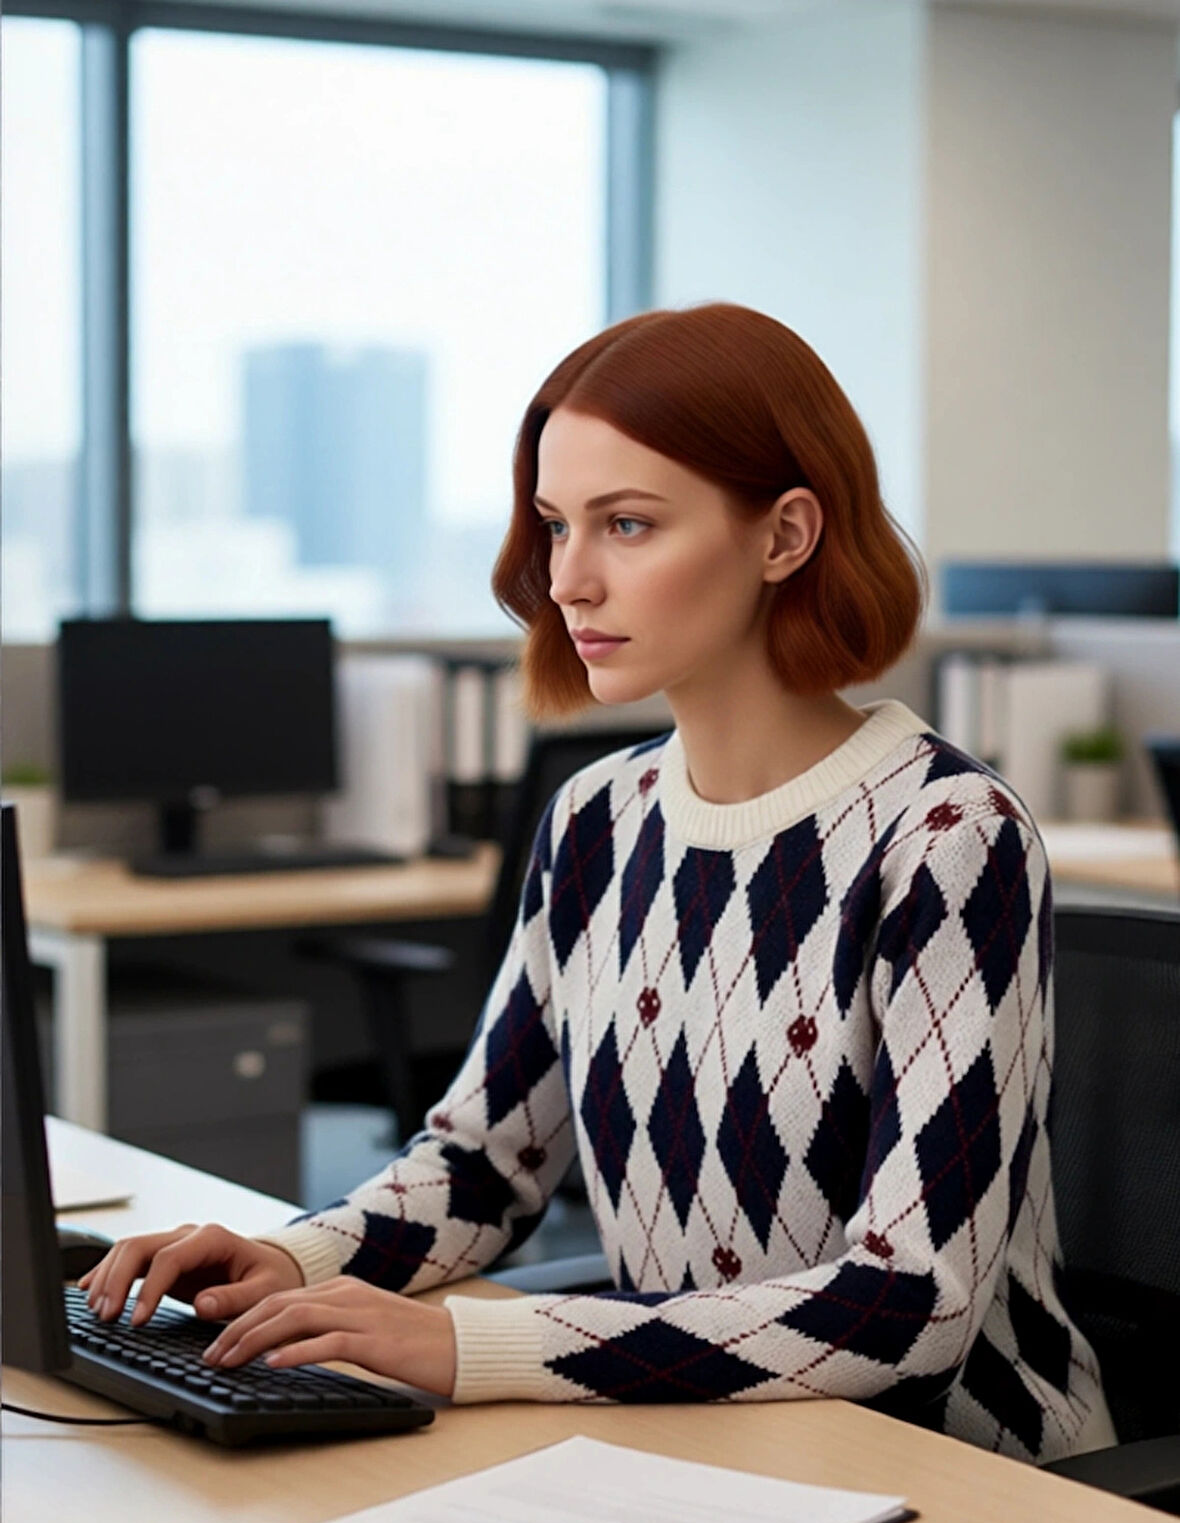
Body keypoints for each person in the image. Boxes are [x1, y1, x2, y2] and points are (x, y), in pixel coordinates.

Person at [81, 302, 1115, 1462]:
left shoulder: (945, 835)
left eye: (626, 524)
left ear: (783, 536)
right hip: (703, 1441)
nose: (567, 579)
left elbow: (910, 1305)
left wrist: (474, 1349)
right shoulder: (596, 819)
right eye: (554, 525)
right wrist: (294, 1260)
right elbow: (487, 1167)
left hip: (963, 1467)